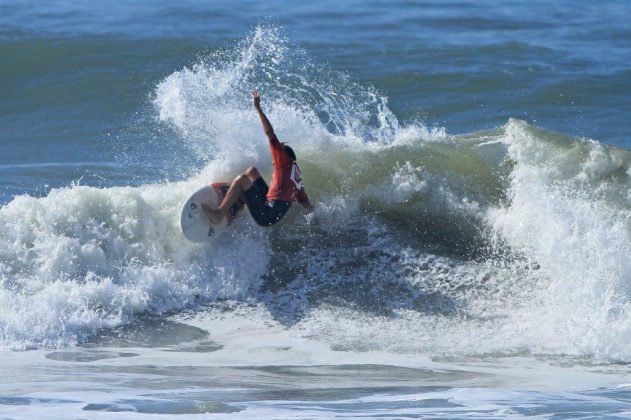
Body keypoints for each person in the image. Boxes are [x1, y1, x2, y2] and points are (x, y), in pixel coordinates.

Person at [203, 90, 314, 227]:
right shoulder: (296, 177)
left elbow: (270, 133)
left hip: (266, 215)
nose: (273, 160)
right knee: (251, 171)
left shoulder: (284, 160)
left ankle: (218, 215)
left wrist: (258, 108)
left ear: (284, 155)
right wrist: (318, 223)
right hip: (271, 210)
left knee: (242, 179)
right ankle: (238, 199)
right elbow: (306, 204)